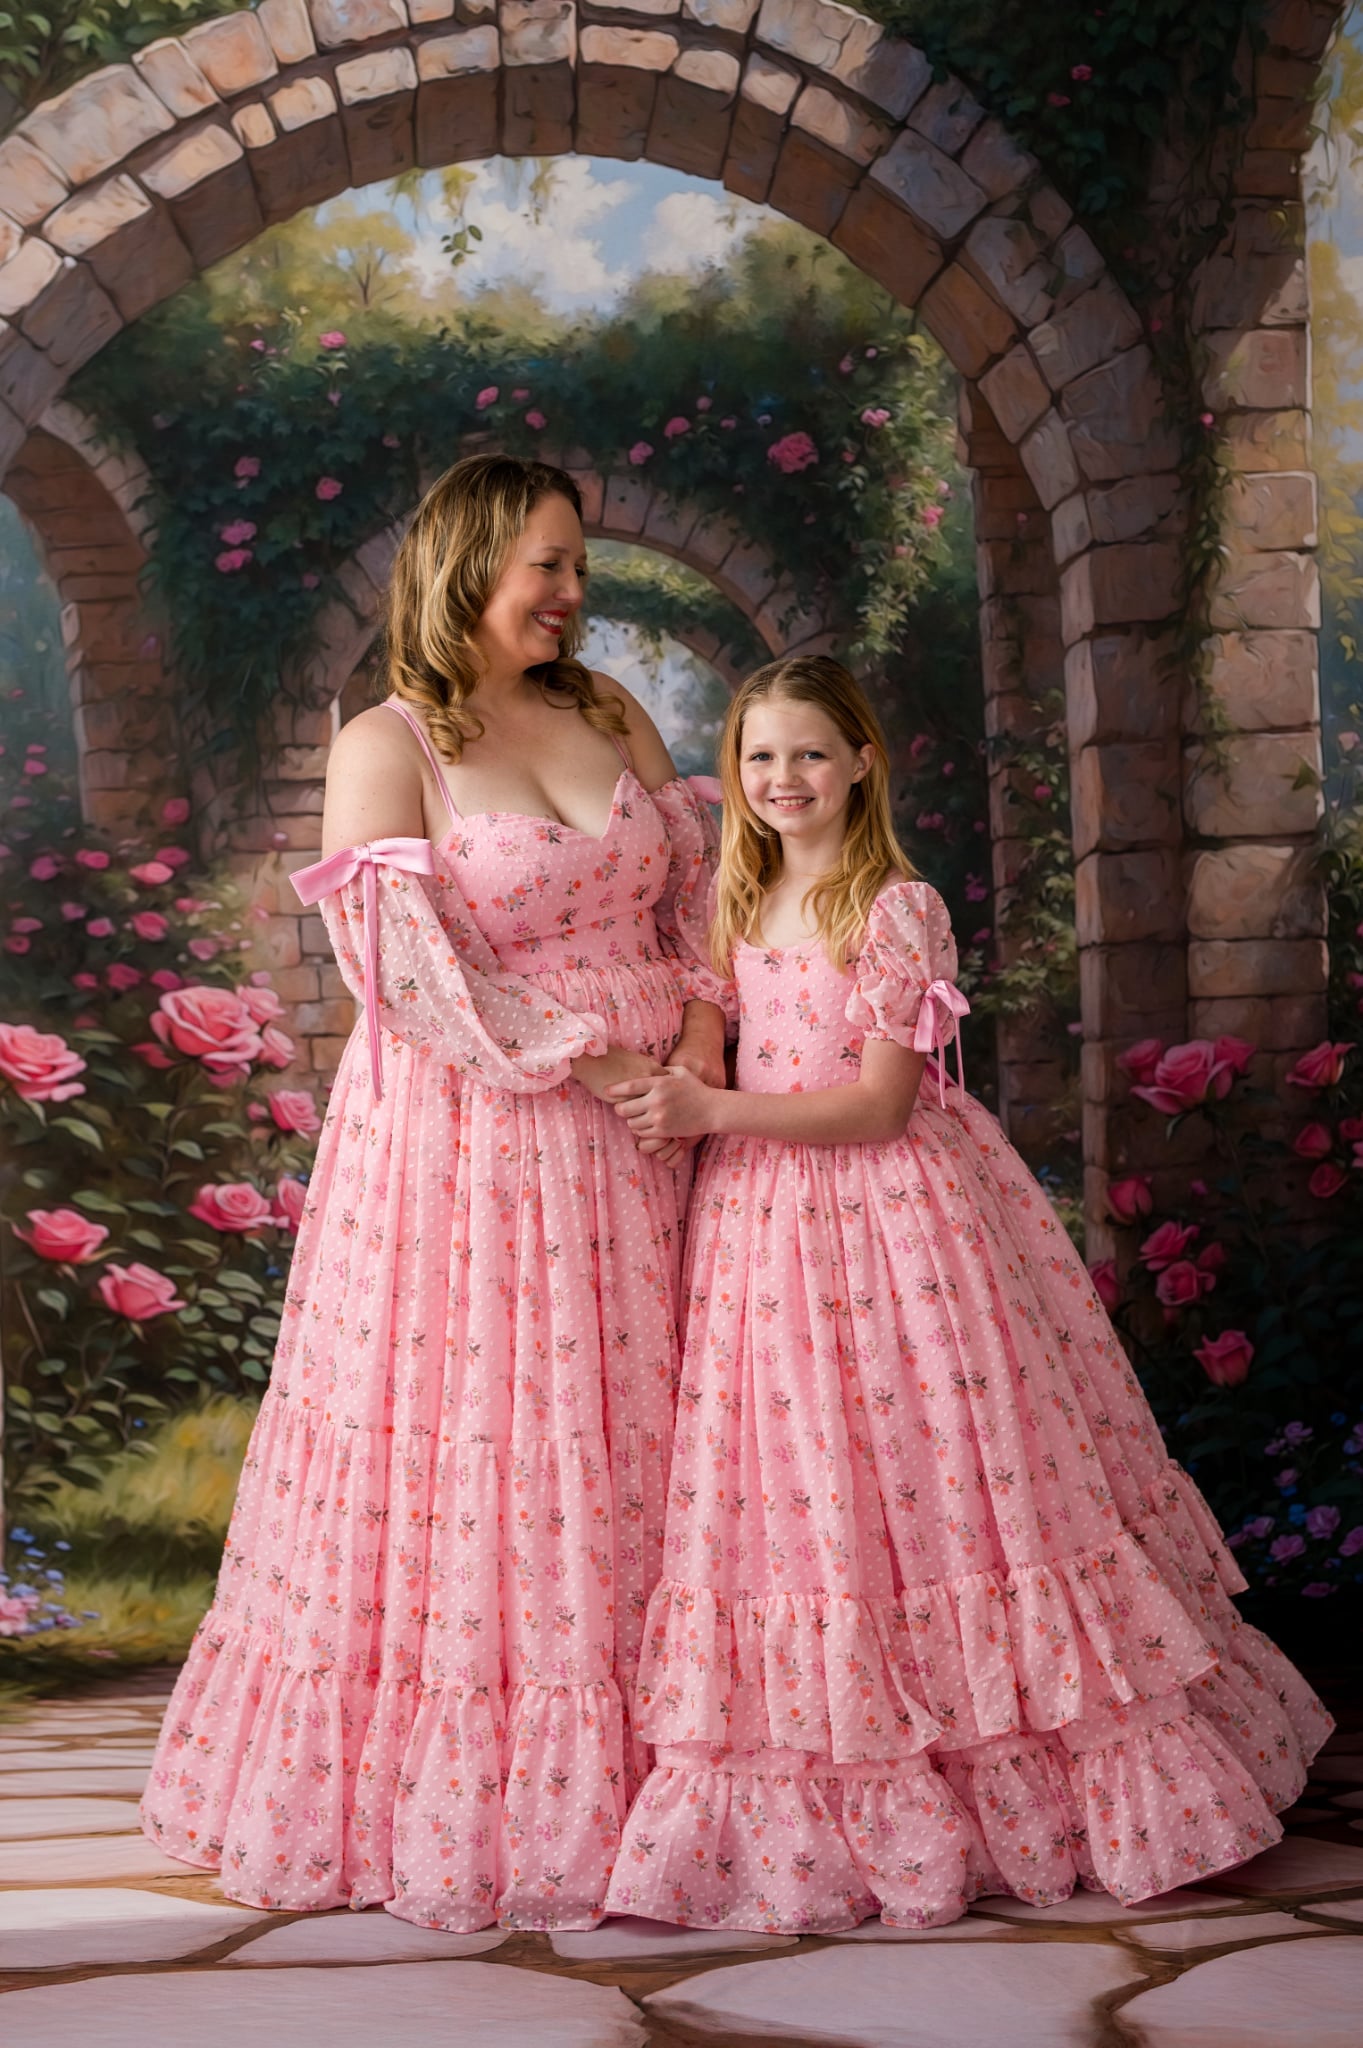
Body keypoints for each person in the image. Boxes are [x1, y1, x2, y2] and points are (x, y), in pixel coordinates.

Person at [603, 654, 1331, 1934]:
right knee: (804, 1470)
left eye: (811, 754)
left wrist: (713, 1106)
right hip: (759, 1227)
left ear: (864, 759)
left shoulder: (892, 906)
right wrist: (674, 1073)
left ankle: (1038, 1768)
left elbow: (882, 1101)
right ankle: (854, 1765)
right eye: (760, 758)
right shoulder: (731, 899)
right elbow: (709, 1030)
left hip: (891, 1218)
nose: (784, 780)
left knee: (939, 1456)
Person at [139, 454, 727, 1931]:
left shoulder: (607, 710)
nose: (571, 593)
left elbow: (702, 899)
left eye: (578, 565)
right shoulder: (386, 741)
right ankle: (515, 1796)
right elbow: (404, 972)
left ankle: (692, 1772)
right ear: (465, 564)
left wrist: (703, 1055)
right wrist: (600, 1068)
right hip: (486, 1153)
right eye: (546, 565)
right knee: (514, 1448)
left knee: (656, 1433)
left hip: (666, 1133)